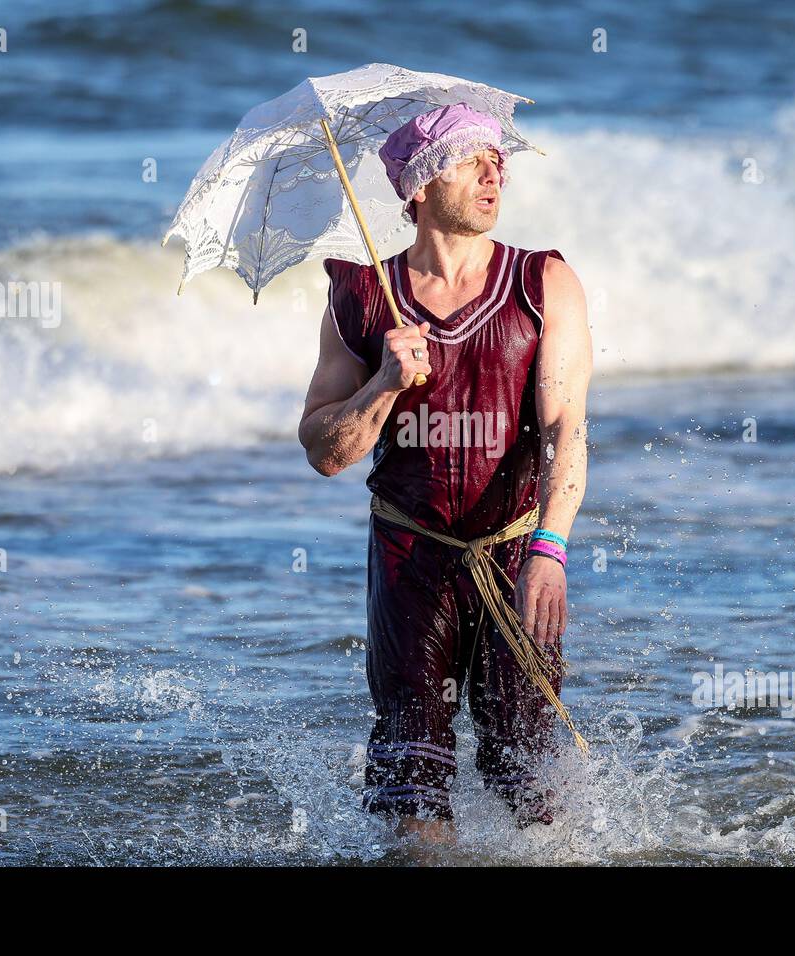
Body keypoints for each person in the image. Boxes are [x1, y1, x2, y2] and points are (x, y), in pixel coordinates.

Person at [297, 102, 591, 844]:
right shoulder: (360, 299)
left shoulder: (542, 282)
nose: (495, 174)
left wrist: (551, 549)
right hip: (408, 557)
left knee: (529, 780)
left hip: (516, 550)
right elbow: (325, 452)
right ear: (420, 187)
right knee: (411, 780)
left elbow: (565, 431)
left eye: (499, 162)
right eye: (472, 161)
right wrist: (384, 383)